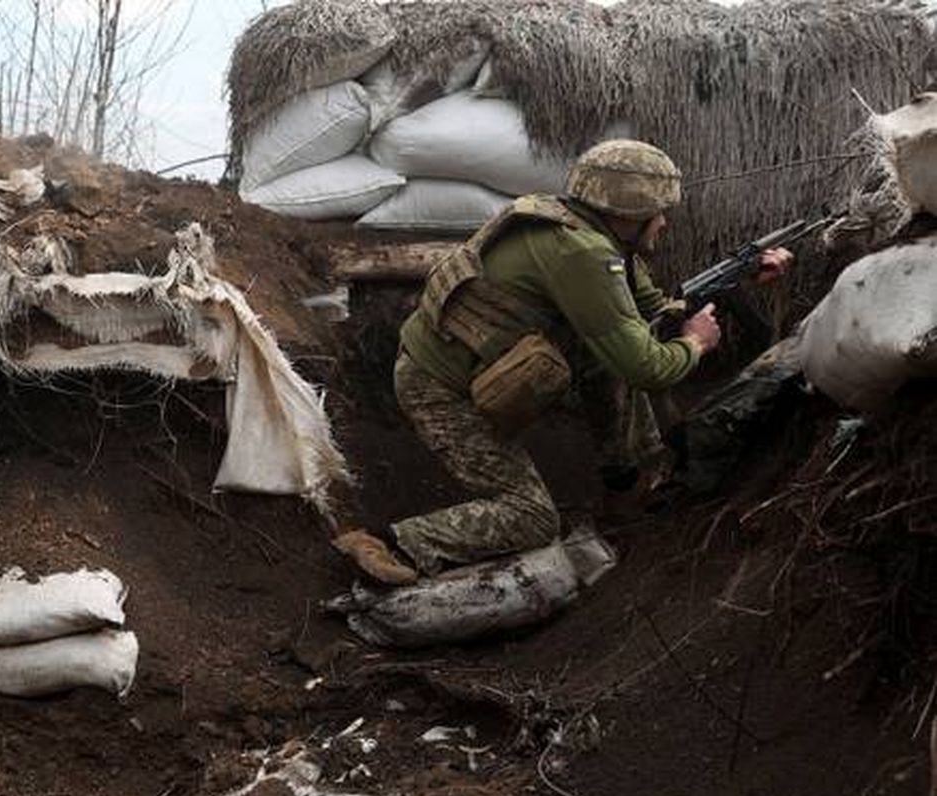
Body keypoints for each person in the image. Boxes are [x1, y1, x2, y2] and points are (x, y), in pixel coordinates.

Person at [335, 140, 792, 585]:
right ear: (626, 215)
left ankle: (625, 483)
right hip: (438, 390)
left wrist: (740, 277)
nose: (664, 222)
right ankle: (390, 542)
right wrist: (695, 344)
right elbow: (648, 368)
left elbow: (651, 308)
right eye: (656, 212)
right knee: (533, 519)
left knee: (608, 351)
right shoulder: (582, 253)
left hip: (478, 368)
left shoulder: (582, 230)